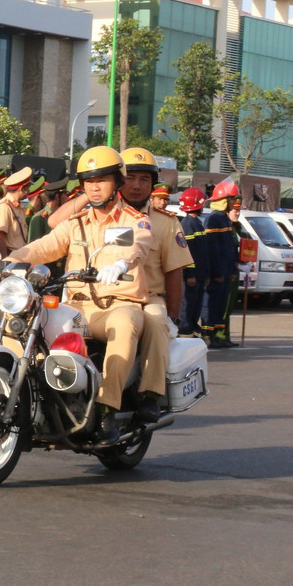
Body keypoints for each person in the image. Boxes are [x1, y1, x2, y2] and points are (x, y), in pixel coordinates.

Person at [0, 146, 155, 440]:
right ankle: (31, 396)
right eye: (89, 181)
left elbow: (138, 244)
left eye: (101, 180)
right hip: (76, 307)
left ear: (117, 182)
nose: (94, 187)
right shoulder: (75, 224)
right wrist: (7, 262)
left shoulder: (133, 219)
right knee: (28, 320)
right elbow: (43, 246)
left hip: (118, 305)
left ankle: (108, 409)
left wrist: (120, 263)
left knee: (125, 324)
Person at [118, 148, 194, 422]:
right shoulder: (103, 216)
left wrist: (173, 316)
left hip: (146, 299)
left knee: (156, 320)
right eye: (130, 178)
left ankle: (149, 394)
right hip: (102, 297)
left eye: (144, 180)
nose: (137, 185)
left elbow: (175, 273)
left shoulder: (166, 223)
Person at [202, 180, 239, 347]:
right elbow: (212, 250)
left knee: (220, 305)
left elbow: (228, 249)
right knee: (211, 304)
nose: (234, 202)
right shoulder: (214, 219)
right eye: (231, 199)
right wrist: (214, 273)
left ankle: (218, 336)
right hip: (217, 272)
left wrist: (231, 269)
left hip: (225, 271)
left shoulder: (223, 219)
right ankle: (208, 336)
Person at [177, 186, 208, 336]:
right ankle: (185, 332)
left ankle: (194, 331)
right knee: (187, 306)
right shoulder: (187, 224)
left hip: (199, 274)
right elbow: (187, 251)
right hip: (192, 275)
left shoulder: (197, 223)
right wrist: (190, 274)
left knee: (196, 305)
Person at [0, 167, 31, 257]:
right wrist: (5, 261)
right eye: (28, 188)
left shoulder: (18, 207)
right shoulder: (5, 206)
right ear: (22, 189)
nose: (29, 191)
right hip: (10, 256)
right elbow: (0, 237)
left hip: (20, 256)